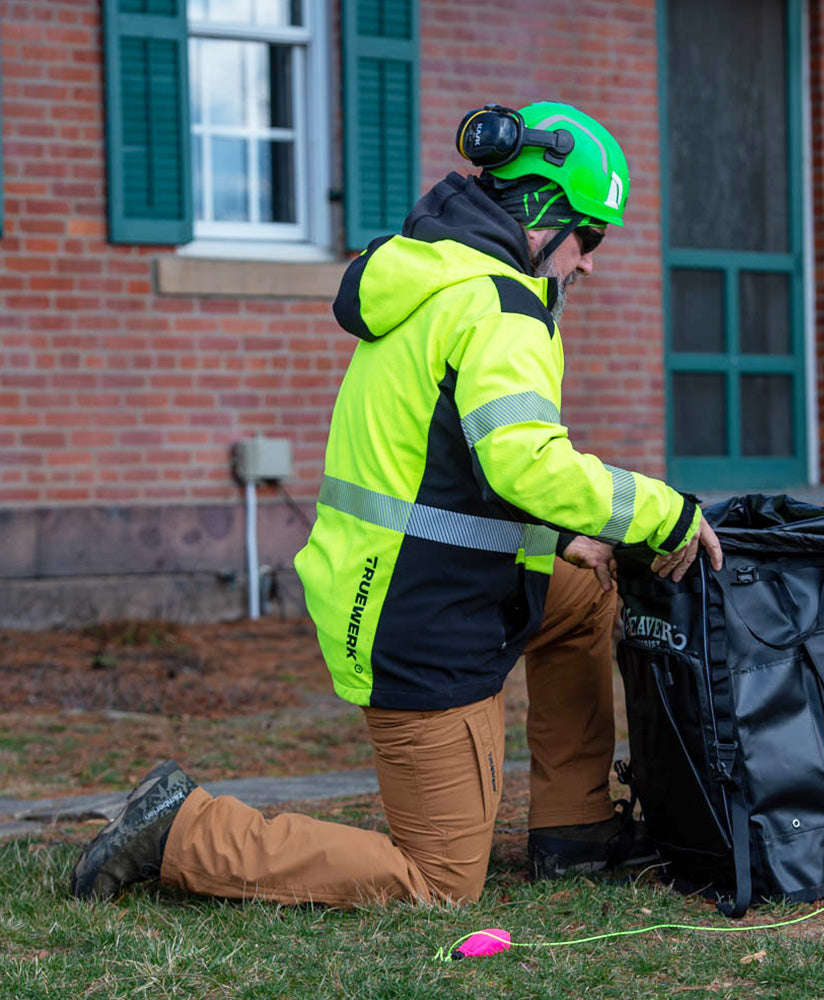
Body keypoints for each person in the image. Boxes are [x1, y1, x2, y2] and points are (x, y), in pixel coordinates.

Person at [70, 102, 723, 907]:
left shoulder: (432, 279)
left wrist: (557, 537)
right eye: (590, 237)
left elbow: (443, 456)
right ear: (546, 216)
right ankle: (180, 829)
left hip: (400, 583)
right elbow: (523, 461)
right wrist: (666, 511)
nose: (588, 263)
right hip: (422, 617)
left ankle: (575, 829)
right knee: (441, 879)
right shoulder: (503, 305)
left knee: (586, 597)